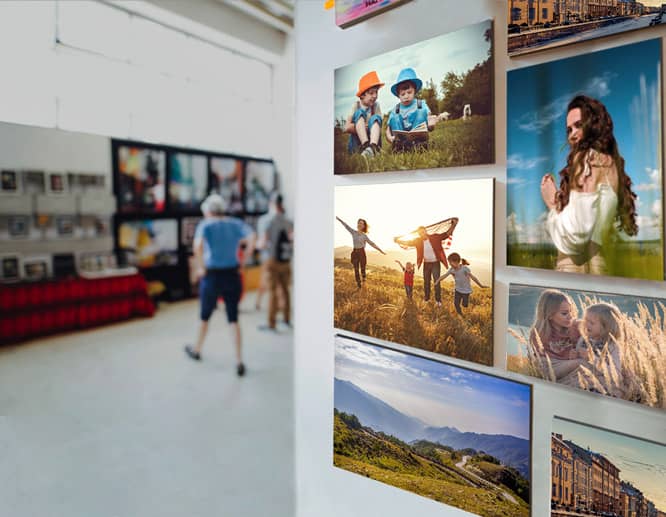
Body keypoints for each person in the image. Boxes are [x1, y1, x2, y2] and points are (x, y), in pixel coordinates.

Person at [540, 95, 638, 274]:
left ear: (594, 125)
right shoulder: (612, 166)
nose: (573, 135)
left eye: (579, 125)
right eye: (569, 130)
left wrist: (552, 204)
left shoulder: (586, 158)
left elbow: (576, 234)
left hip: (572, 265)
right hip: (600, 265)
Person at [184, 194, 255, 376]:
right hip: (232, 274)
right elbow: (252, 237)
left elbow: (197, 246)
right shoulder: (235, 223)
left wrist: (201, 267)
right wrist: (243, 261)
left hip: (212, 276)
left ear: (208, 211)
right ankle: (239, 361)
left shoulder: (206, 225)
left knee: (205, 316)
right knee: (233, 318)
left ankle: (197, 350)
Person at [385, 68, 443, 152]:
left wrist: (431, 125)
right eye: (403, 94)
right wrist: (390, 138)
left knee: (421, 111)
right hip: (401, 142)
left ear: (414, 91)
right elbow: (388, 130)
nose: (406, 96)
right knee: (394, 118)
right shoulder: (395, 109)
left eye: (409, 92)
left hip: (419, 141)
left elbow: (430, 125)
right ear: (398, 95)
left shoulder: (421, 104)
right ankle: (399, 146)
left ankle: (419, 145)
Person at [529, 289, 582, 379]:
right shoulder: (539, 333)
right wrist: (568, 357)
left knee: (584, 362)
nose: (570, 316)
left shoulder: (575, 327)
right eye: (564, 313)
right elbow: (543, 359)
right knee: (581, 363)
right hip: (553, 366)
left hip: (570, 364)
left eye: (571, 311)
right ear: (549, 315)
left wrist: (577, 353)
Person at [394, 224, 453, 305]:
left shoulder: (434, 237)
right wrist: (398, 241)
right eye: (420, 233)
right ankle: (427, 299)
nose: (422, 234)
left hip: (435, 263)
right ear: (419, 234)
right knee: (426, 282)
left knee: (437, 281)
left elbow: (446, 234)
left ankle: (438, 301)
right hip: (426, 264)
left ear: (426, 231)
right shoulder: (418, 241)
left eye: (423, 232)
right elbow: (408, 242)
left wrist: (453, 225)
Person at [261, 194, 293, 331]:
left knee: (273, 292)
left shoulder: (266, 220)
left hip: (271, 260)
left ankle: (271, 323)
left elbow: (263, 243)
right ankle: (286, 320)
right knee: (286, 290)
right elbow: (292, 240)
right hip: (286, 260)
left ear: (271, 203)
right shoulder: (289, 221)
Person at [336, 216, 386, 288]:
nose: (360, 224)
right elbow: (346, 226)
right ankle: (359, 285)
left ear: (363, 226)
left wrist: (380, 250)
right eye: (359, 223)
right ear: (357, 224)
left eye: (361, 224)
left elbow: (372, 243)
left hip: (361, 252)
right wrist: (339, 219)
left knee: (362, 268)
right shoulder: (353, 232)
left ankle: (364, 280)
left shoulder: (364, 236)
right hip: (355, 252)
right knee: (356, 269)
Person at [345, 70, 385, 158]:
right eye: (371, 93)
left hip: (372, 140)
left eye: (376, 92)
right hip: (357, 144)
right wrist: (362, 128)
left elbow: (378, 124)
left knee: (375, 117)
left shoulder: (376, 106)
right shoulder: (356, 105)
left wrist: (367, 127)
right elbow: (347, 127)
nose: (375, 96)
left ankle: (373, 147)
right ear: (362, 95)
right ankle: (366, 145)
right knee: (360, 113)